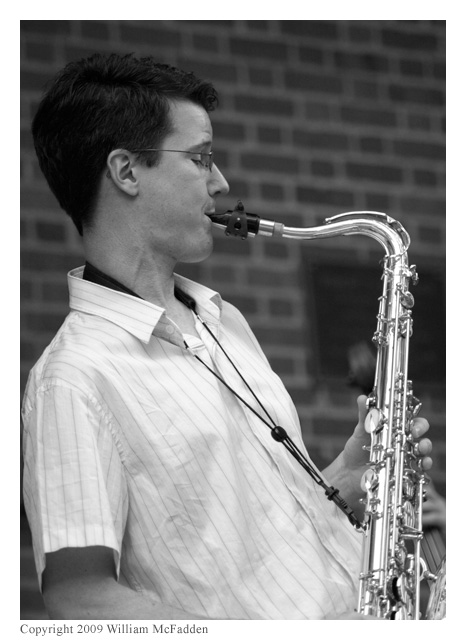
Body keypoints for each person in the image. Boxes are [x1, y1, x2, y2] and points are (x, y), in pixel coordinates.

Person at [22, 52, 433, 621]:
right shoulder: (72, 379)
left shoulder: (224, 319)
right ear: (126, 172)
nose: (221, 182)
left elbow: (246, 537)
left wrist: (345, 475)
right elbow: (79, 597)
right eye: (200, 158)